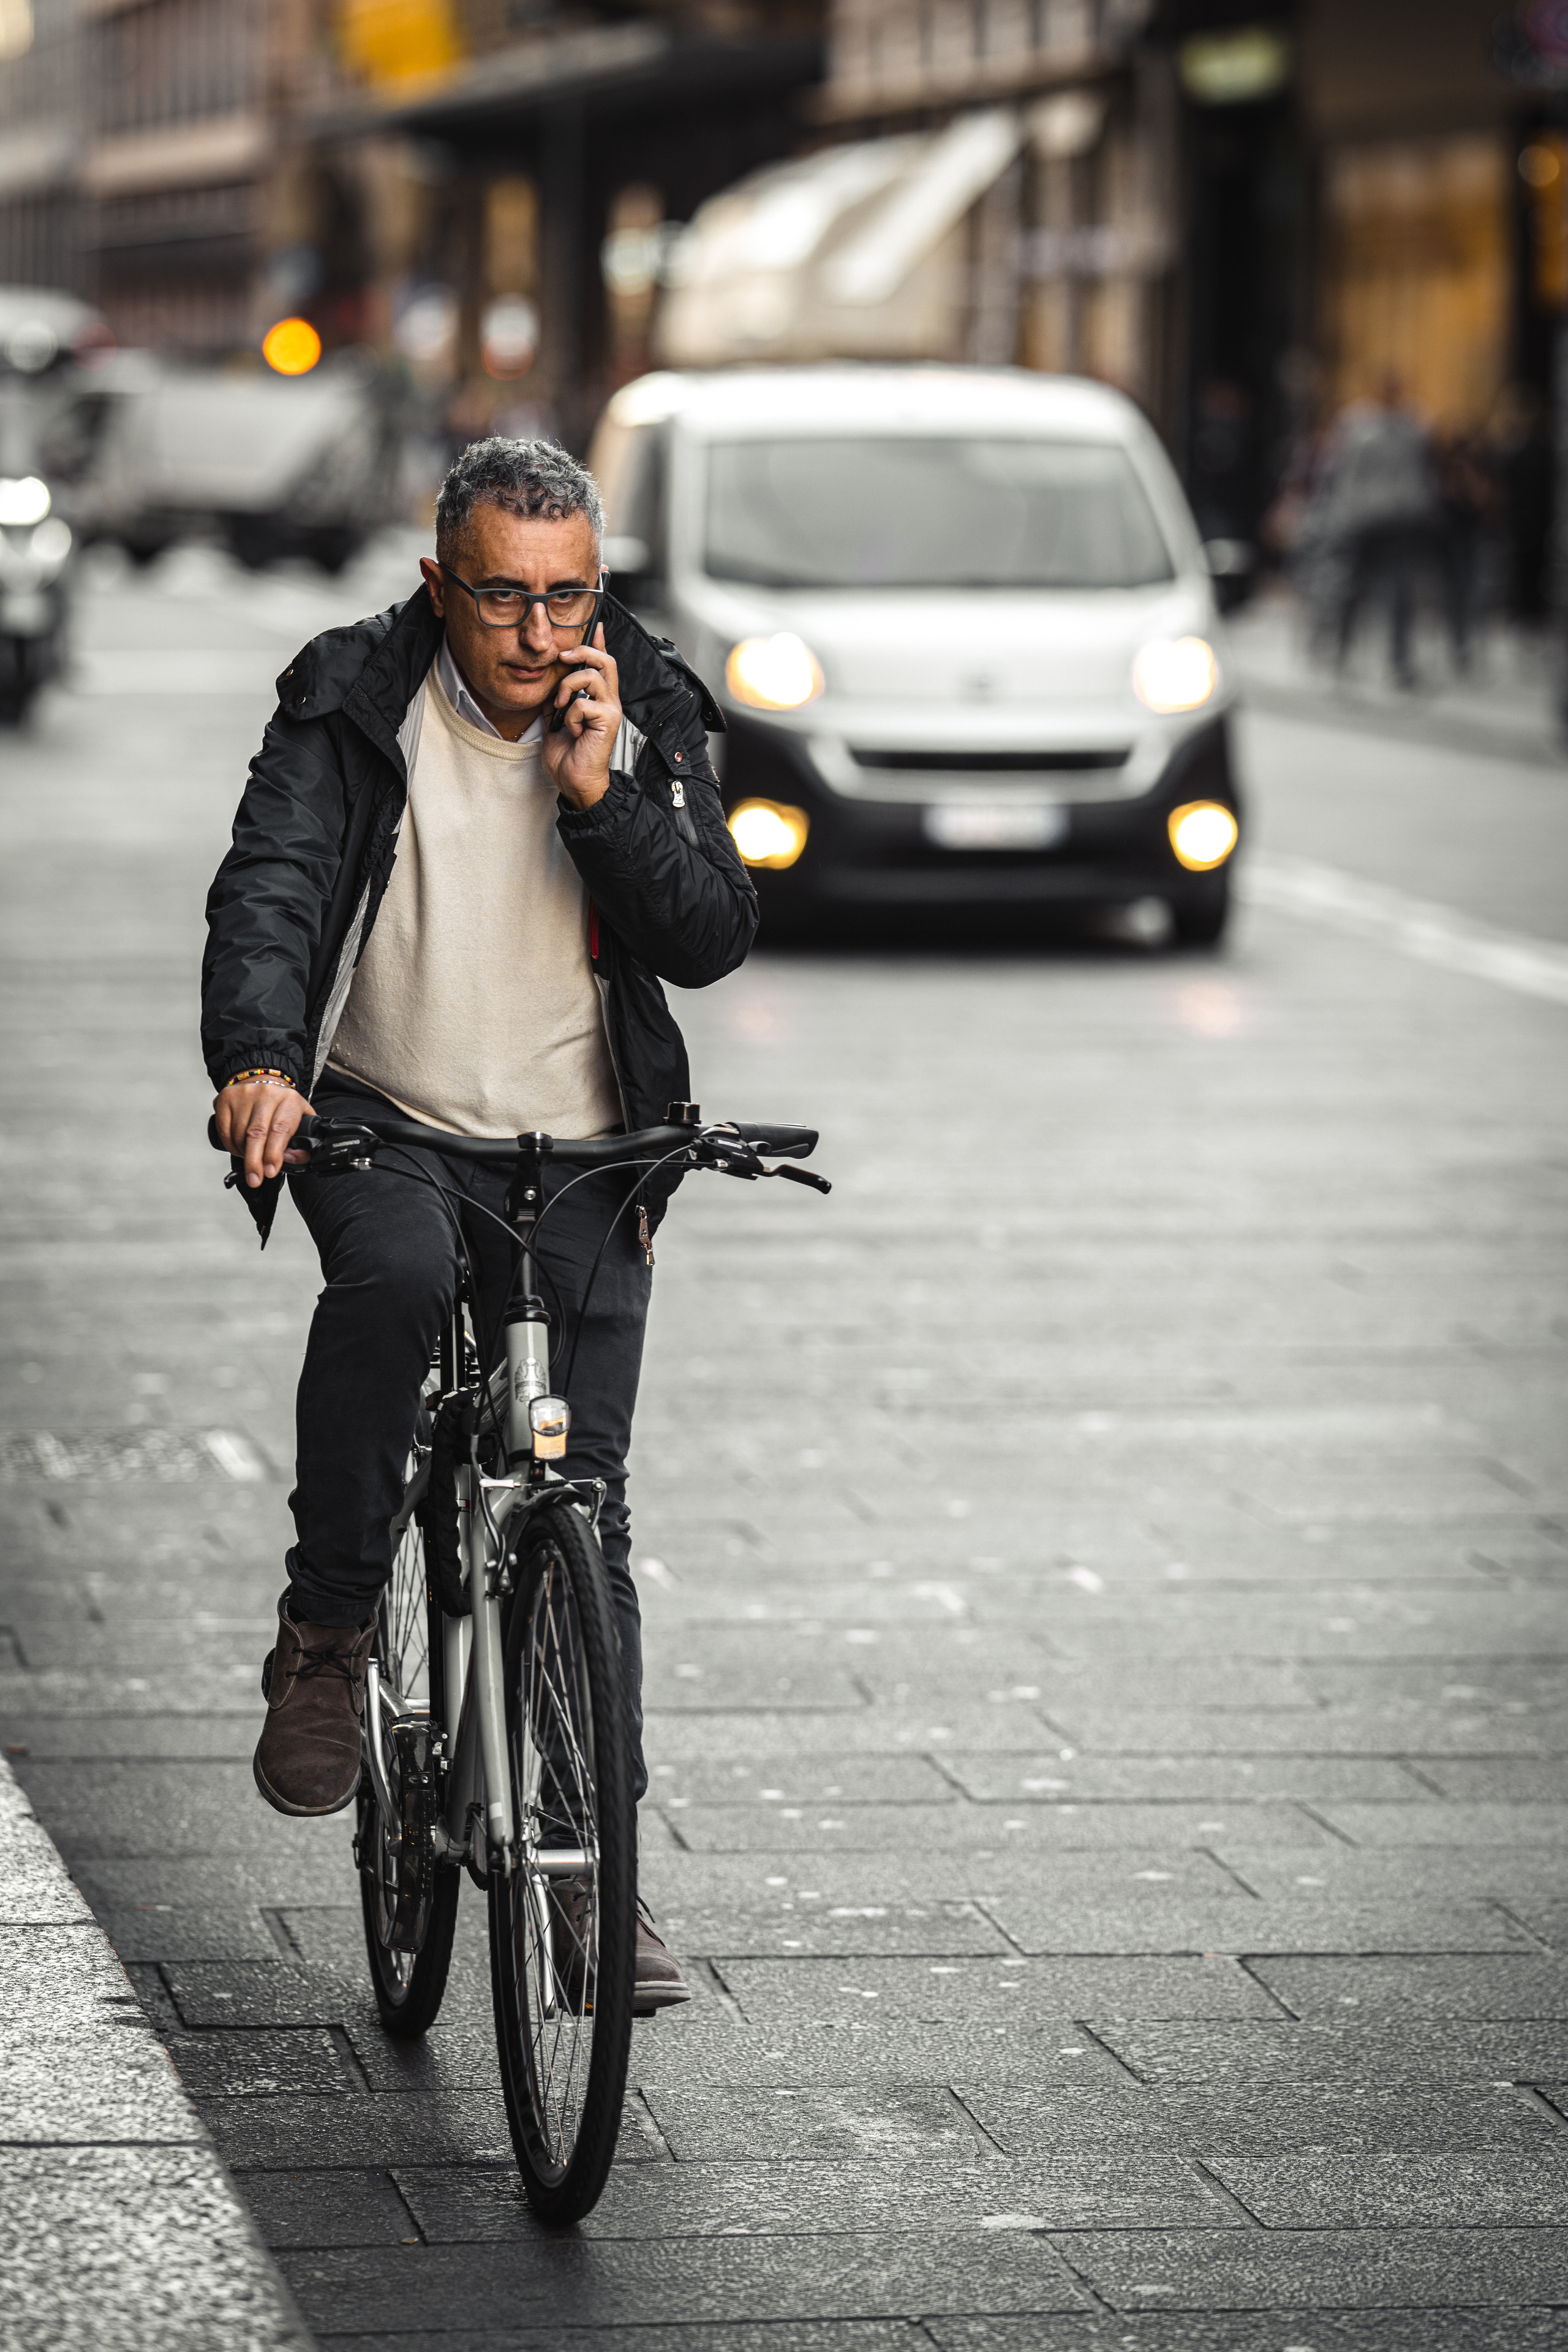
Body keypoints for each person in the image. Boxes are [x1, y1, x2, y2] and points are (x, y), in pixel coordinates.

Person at [200, 437, 758, 2010]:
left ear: (599, 585)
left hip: (585, 1152)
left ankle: (591, 1879)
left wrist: (601, 796)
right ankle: (327, 1630)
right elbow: (272, 888)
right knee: (389, 1284)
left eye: (565, 596)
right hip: (383, 1122)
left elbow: (709, 933)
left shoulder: (644, 702)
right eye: (502, 596)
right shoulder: (349, 694)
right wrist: (258, 1062)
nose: (536, 631)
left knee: (583, 1501)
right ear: (439, 583)